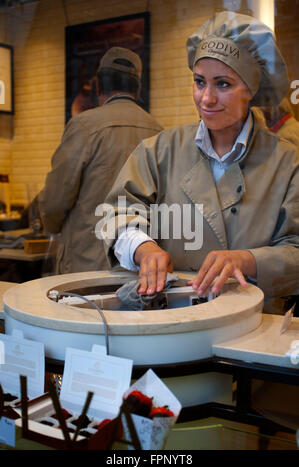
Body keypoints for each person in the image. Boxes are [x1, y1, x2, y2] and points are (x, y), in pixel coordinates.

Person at [102, 12, 299, 315]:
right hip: (171, 322)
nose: (206, 98)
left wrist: (247, 260)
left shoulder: (287, 163)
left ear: (251, 89)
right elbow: (114, 216)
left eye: (223, 84)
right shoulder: (157, 152)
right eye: (199, 82)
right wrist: (144, 248)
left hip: (252, 327)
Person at [38, 47, 163, 274]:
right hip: (139, 266)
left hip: (86, 267)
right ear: (138, 89)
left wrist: (52, 227)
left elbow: (54, 202)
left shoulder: (84, 126)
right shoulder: (159, 131)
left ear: (98, 86)